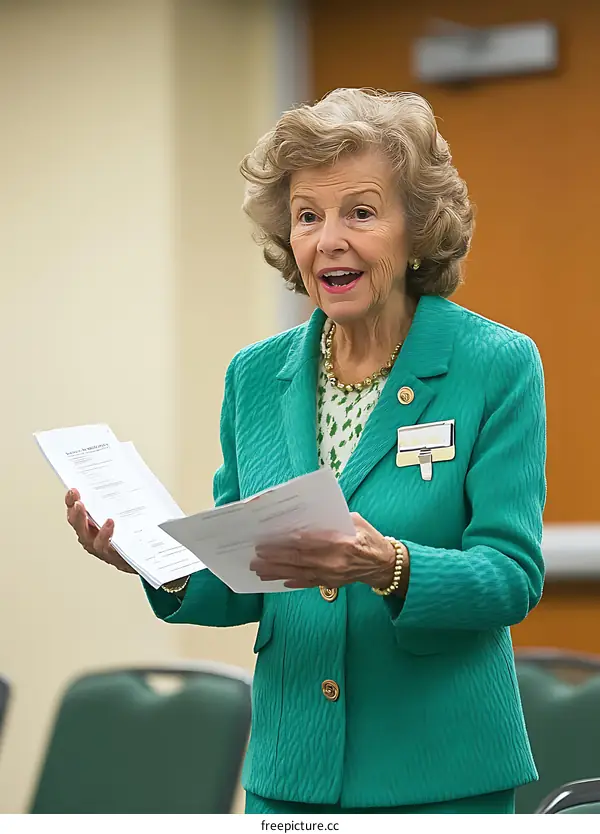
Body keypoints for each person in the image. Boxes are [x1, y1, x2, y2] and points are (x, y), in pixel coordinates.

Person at [65, 88, 546, 815]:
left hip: (442, 774)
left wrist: (390, 566)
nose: (329, 240)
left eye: (360, 211)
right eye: (307, 217)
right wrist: (154, 564)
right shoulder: (254, 377)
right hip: (290, 778)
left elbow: (511, 577)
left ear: (417, 230)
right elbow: (247, 573)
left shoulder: (496, 364)